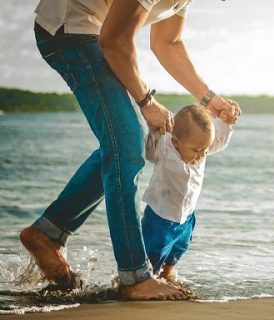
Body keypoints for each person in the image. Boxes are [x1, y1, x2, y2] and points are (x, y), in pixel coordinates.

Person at [20, 0, 241, 301]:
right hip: (70, 31)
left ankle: (48, 232)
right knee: (126, 146)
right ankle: (134, 276)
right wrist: (146, 101)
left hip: (91, 32)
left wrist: (208, 97)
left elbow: (169, 42)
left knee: (125, 146)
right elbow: (114, 40)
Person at [141, 104, 236, 284]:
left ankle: (167, 274)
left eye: (205, 149)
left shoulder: (201, 146)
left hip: (186, 216)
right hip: (160, 217)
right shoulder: (165, 148)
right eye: (197, 150)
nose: (202, 154)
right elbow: (149, 153)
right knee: (152, 253)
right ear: (176, 142)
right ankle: (146, 281)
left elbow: (220, 141)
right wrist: (154, 131)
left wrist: (226, 122)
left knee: (180, 247)